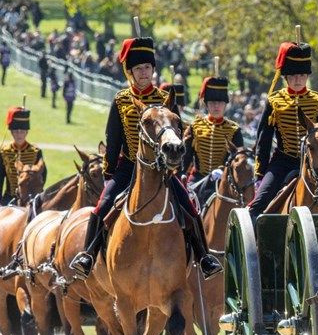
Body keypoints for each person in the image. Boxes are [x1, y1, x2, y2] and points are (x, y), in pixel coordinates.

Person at [68, 37, 222, 279]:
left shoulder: (165, 99)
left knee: (190, 209)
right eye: (138, 69)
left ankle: (204, 258)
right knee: (101, 208)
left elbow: (178, 135)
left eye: (147, 68)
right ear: (130, 72)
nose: (143, 73)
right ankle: (88, 255)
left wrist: (175, 168)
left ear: (153, 69)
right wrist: (109, 172)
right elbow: (114, 137)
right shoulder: (121, 100)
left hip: (162, 169)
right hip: (128, 165)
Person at [249, 40, 318, 219]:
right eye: (293, 75)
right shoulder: (274, 101)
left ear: (307, 76)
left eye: (301, 75)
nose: (297, 79)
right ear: (285, 76)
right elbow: (264, 139)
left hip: (313, 163)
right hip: (283, 162)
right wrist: (260, 173)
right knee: (257, 206)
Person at [184, 76, 244, 203]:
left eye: (220, 103)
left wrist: (223, 171)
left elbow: (238, 161)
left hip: (222, 181)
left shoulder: (234, 130)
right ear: (206, 104)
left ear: (225, 104)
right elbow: (186, 156)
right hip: (198, 180)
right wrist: (181, 176)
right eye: (212, 102)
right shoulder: (195, 127)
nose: (216, 106)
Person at [0, 107, 46, 206]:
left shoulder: (35, 151)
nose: (19, 134)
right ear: (12, 132)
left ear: (26, 132)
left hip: (31, 198)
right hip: (9, 197)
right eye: (16, 131)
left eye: (22, 131)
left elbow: (42, 175)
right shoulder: (5, 151)